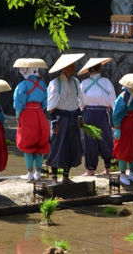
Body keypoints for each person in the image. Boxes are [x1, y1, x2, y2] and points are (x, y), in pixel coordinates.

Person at [46, 54, 85, 185]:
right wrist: (54, 122)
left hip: (73, 118)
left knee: (71, 147)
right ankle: (54, 178)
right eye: (70, 65)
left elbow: (78, 100)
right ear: (64, 68)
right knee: (58, 147)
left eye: (73, 64)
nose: (73, 67)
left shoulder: (75, 82)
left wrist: (80, 117)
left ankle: (66, 176)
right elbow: (51, 106)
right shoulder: (55, 83)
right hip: (61, 119)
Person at [13, 58, 49, 181]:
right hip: (40, 114)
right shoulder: (43, 84)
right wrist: (38, 109)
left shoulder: (22, 85)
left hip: (27, 114)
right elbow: (45, 102)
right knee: (41, 143)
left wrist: (18, 116)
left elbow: (18, 103)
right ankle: (38, 173)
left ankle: (29, 173)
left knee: (27, 144)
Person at [79, 58, 116, 176]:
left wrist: (82, 108)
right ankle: (108, 168)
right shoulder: (107, 82)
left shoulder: (84, 83)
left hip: (89, 113)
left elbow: (80, 101)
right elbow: (113, 100)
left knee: (89, 141)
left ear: (89, 70)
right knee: (105, 138)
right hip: (102, 113)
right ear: (100, 69)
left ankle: (90, 170)